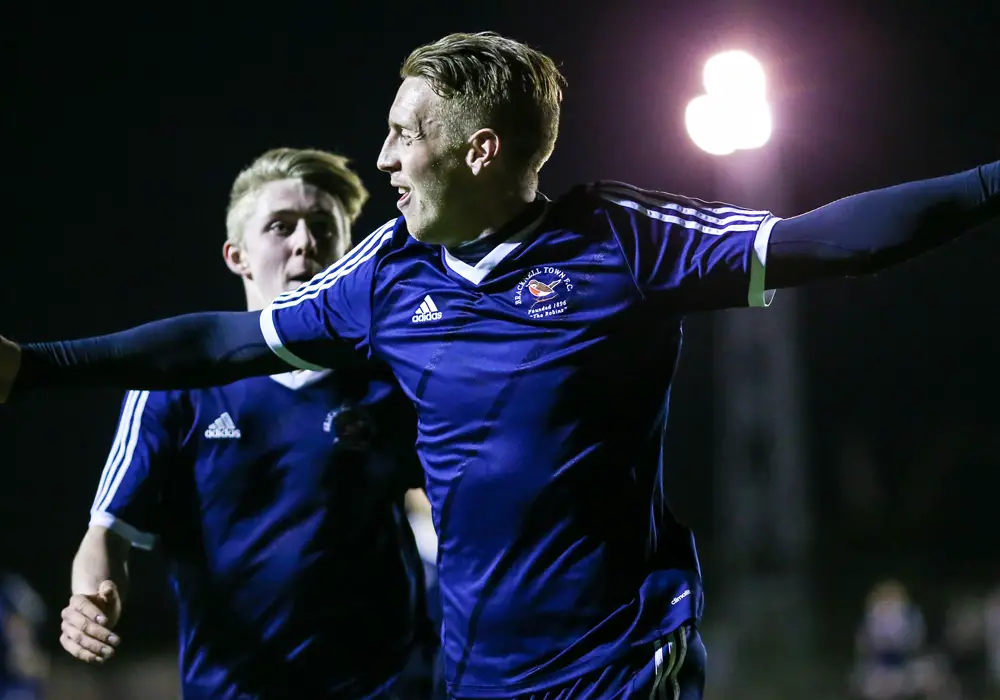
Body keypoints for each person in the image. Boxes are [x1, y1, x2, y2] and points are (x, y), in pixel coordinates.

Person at [2, 32, 998, 700]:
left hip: (616, 662)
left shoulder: (618, 239)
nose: (383, 157)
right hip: (477, 676)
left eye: (404, 134)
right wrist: (34, 367)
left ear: (479, 151)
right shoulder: (388, 272)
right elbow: (219, 342)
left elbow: (834, 240)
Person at [54, 147, 436, 700]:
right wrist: (88, 600)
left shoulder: (390, 378)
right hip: (234, 689)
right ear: (238, 256)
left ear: (348, 250)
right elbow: (108, 530)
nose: (305, 242)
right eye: (281, 226)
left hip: (382, 687)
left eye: (324, 227)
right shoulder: (176, 384)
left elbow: (446, 497)